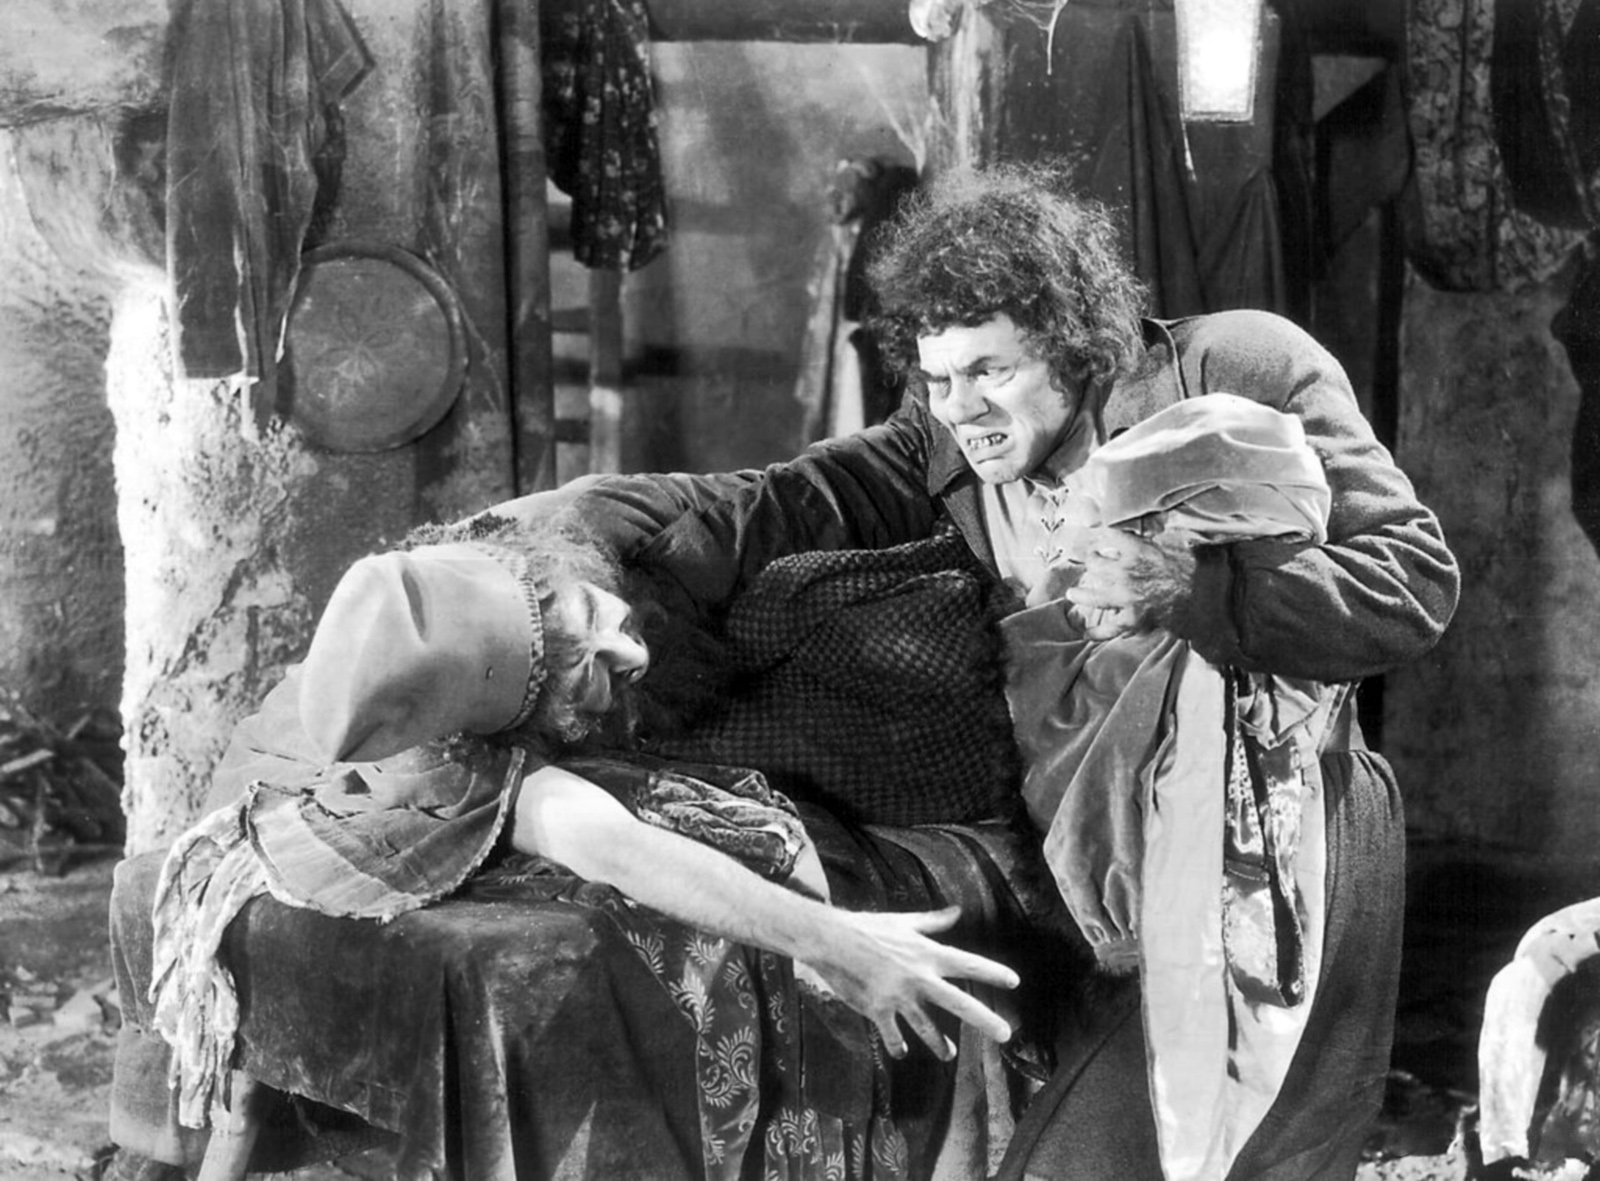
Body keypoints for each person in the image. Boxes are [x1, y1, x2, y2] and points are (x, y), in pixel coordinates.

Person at [497, 163, 1457, 1180]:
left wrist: (1197, 588)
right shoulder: (940, 445)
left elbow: (1413, 582)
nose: (962, 408)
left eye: (990, 371)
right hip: (1099, 876)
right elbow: (756, 506)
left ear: (1074, 340)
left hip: (1276, 842)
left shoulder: (1238, 367)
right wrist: (531, 545)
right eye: (938, 378)